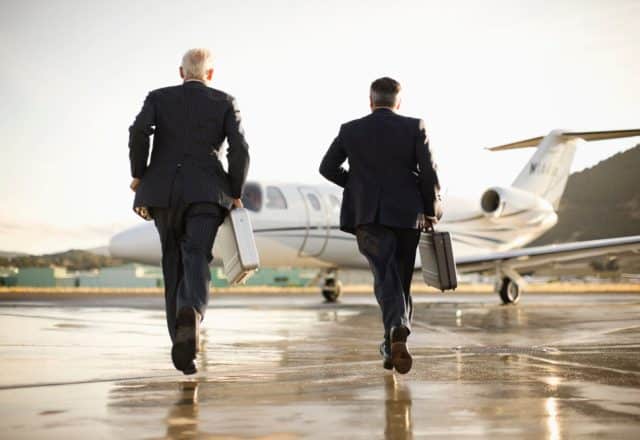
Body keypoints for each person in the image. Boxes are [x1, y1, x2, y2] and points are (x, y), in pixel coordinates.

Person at [128, 48, 250, 374]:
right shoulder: (224, 101)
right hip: (208, 192)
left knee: (172, 262)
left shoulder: (158, 97)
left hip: (163, 192)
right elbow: (240, 149)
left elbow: (138, 132)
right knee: (196, 256)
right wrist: (235, 191)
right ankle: (192, 311)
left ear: (181, 72)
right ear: (210, 74)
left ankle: (182, 346)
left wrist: (139, 173)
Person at [319, 77, 441, 374]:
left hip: (368, 215)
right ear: (398, 102)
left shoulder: (351, 130)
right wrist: (431, 210)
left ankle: (395, 331)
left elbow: (327, 167)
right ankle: (395, 338)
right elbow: (429, 171)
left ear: (370, 101)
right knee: (400, 280)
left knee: (384, 275)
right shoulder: (415, 127)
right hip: (407, 214)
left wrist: (358, 186)